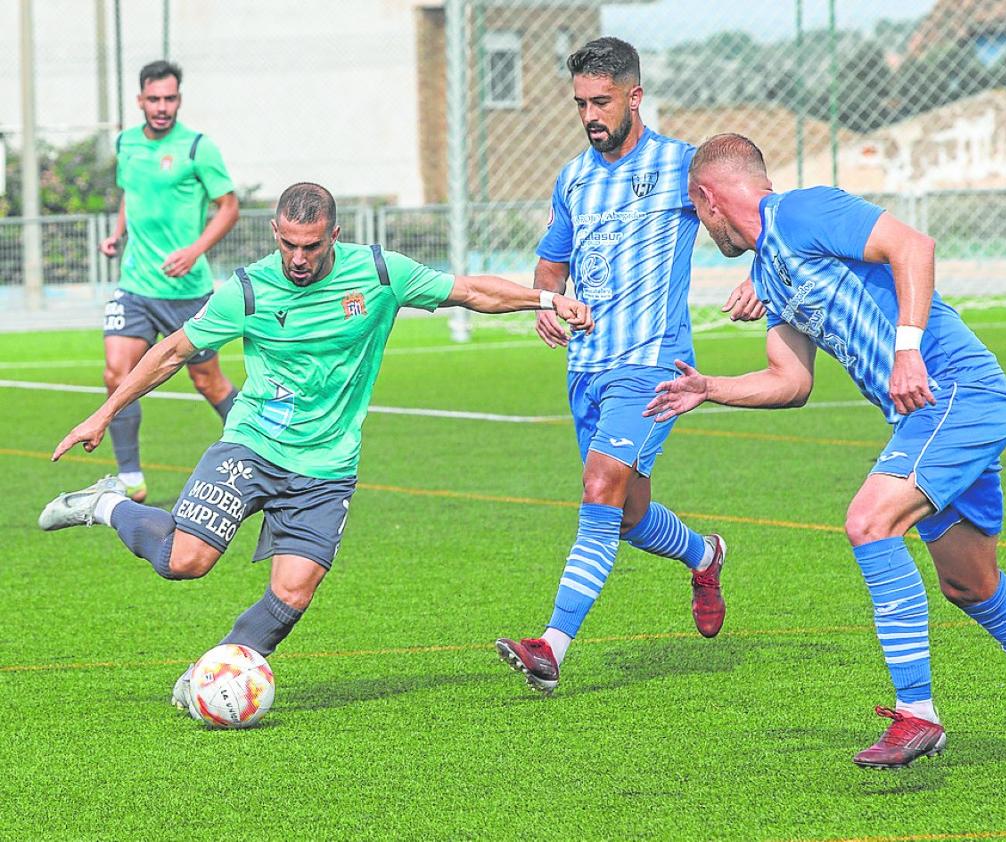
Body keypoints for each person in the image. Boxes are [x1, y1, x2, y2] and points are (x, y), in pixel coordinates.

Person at [644, 133, 1006, 768]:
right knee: (970, 583)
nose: (703, 230)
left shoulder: (803, 210)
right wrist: (710, 389)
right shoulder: (769, 271)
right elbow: (790, 383)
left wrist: (907, 348)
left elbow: (912, 246)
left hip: (956, 391)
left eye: (695, 213)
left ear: (707, 198)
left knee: (869, 523)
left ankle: (915, 713)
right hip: (929, 414)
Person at [39, 182, 592, 713]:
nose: (298, 258)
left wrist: (546, 298)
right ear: (275, 233)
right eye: (288, 244)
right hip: (253, 445)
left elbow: (470, 291)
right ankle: (107, 504)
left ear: (334, 235)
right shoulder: (249, 290)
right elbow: (173, 352)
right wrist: (104, 412)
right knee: (185, 562)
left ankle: (208, 673)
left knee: (293, 594)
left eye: (311, 246)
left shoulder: (377, 273)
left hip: (327, 467)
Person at [495, 38, 762, 695]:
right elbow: (552, 262)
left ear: (634, 97)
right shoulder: (573, 178)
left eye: (602, 101)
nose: (590, 113)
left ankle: (550, 646)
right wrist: (547, 302)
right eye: (581, 102)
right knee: (628, 514)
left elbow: (758, 218)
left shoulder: (681, 167)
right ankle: (705, 555)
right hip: (586, 369)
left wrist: (762, 276)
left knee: (598, 488)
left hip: (650, 368)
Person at [100, 59, 242, 503]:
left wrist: (195, 250)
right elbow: (132, 193)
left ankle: (271, 453)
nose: (162, 107)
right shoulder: (125, 143)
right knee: (116, 375)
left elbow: (229, 206)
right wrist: (118, 233)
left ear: (179, 99)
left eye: (170, 98)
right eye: (154, 99)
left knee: (209, 383)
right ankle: (129, 478)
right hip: (136, 284)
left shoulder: (199, 148)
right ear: (140, 100)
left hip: (187, 292)